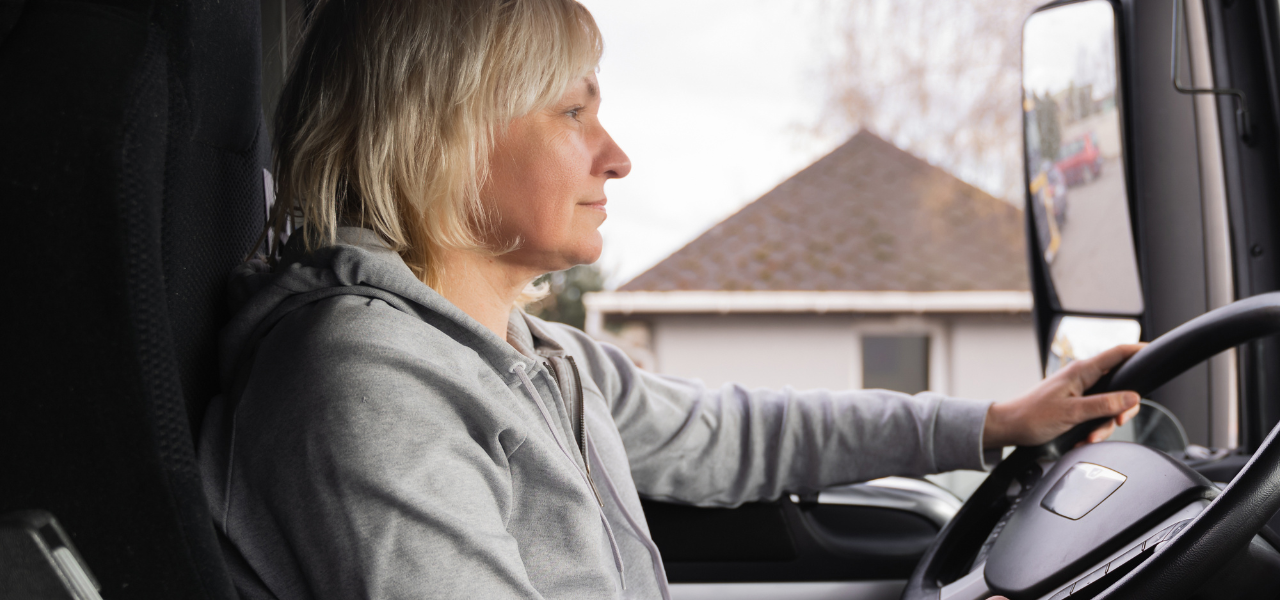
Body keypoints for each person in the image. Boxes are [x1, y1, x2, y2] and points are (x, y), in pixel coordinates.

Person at [196, 1, 1143, 598]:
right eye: (574, 112)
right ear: (440, 131)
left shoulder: (534, 352)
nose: (616, 156)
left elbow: (733, 434)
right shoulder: (366, 385)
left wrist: (991, 422)